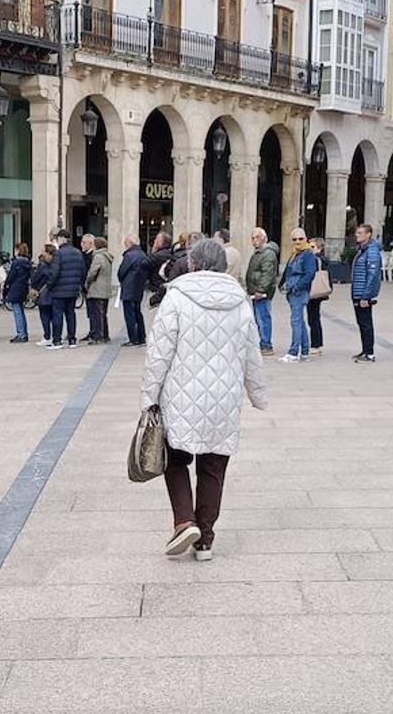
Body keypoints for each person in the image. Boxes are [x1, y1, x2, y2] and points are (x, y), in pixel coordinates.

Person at [140, 238, 268, 561]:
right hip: (225, 398)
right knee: (213, 467)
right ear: (223, 266)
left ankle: (185, 521)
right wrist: (257, 394)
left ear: (193, 263)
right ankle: (205, 540)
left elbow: (158, 354)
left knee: (175, 457)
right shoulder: (240, 301)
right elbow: (251, 352)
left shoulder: (176, 297)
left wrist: (149, 397)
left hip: (182, 395)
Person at [277, 229, 316, 363]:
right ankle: (304, 351)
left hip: (299, 291)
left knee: (296, 321)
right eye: (295, 239)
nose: (298, 241)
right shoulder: (295, 254)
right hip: (292, 291)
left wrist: (297, 287)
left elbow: (310, 274)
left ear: (306, 238)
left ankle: (293, 352)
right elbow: (288, 271)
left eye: (300, 238)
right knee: (300, 321)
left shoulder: (308, 255)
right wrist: (281, 284)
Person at [350, 223, 382, 363]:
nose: (357, 235)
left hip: (363, 293)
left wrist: (366, 295)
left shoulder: (372, 250)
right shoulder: (362, 250)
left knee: (366, 323)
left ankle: (369, 353)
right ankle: (365, 349)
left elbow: (373, 274)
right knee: (362, 322)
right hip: (357, 291)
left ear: (368, 234)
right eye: (357, 233)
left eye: (360, 233)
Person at [48, 229, 85, 349]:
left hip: (59, 290)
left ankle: (57, 340)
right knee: (70, 314)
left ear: (62, 239)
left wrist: (50, 285)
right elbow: (82, 271)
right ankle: (72, 339)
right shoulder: (78, 253)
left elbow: (54, 272)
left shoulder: (59, 254)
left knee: (57, 315)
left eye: (58, 239)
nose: (57, 242)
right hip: (73, 289)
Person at [244, 228, 278, 356]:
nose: (254, 240)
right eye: (252, 238)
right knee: (259, 318)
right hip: (255, 292)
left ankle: (266, 345)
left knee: (263, 318)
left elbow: (268, 273)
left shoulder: (267, 253)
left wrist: (260, 289)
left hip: (262, 293)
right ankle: (262, 343)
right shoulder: (258, 253)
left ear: (264, 238)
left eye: (257, 237)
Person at [118, 235, 147, 346]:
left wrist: (121, 279)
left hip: (129, 287)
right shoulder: (143, 254)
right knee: (138, 313)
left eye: (125, 244)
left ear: (129, 243)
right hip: (138, 287)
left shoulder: (129, 256)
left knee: (129, 314)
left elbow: (122, 271)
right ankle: (141, 337)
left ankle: (133, 338)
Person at [85, 236, 114, 344]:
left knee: (97, 314)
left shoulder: (98, 256)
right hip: (105, 289)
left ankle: (98, 336)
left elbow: (93, 272)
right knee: (103, 314)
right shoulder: (107, 256)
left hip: (97, 289)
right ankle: (105, 335)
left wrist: (87, 282)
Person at [4, 242, 32, 343]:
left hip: (15, 288)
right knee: (21, 311)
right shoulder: (27, 262)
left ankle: (21, 334)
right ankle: (23, 333)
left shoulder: (16, 262)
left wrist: (6, 284)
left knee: (17, 312)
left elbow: (11, 276)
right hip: (23, 288)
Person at [307, 237, 329, 354]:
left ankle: (315, 344)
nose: (310, 249)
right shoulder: (321, 259)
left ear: (319, 248)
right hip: (318, 292)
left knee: (313, 318)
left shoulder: (316, 259)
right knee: (315, 317)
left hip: (314, 291)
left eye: (312, 247)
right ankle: (317, 343)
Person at [31, 245, 55, 348]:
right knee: (54, 317)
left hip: (44, 294)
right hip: (55, 294)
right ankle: (55, 336)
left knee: (44, 316)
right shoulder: (56, 264)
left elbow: (35, 279)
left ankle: (47, 336)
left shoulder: (43, 266)